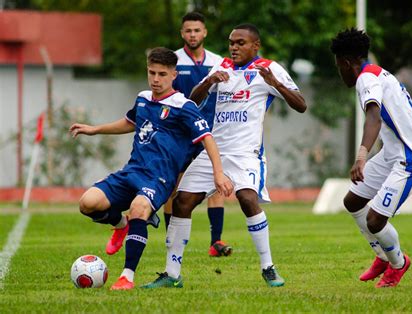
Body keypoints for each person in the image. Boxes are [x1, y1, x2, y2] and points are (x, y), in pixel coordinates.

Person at [141, 23, 306, 289]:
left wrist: (274, 84)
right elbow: (192, 102)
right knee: (182, 201)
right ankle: (172, 275)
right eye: (231, 42)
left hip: (246, 154)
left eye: (241, 43)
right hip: (215, 150)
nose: (234, 47)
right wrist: (208, 82)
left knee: (247, 198)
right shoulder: (223, 67)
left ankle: (268, 267)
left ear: (256, 46)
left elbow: (301, 104)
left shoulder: (269, 68)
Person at [69, 47, 233, 290]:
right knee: (88, 203)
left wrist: (218, 174)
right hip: (132, 171)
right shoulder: (143, 98)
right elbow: (130, 122)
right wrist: (95, 129)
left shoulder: (183, 106)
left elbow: (207, 137)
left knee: (139, 208)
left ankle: (127, 276)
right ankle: (120, 225)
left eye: (162, 74)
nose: (156, 79)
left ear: (174, 75)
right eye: (152, 73)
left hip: (159, 179)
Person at [330, 28, 412, 288]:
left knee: (375, 220)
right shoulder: (376, 73)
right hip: (393, 153)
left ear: (346, 63)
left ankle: (398, 264)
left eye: (338, 66)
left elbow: (374, 117)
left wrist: (361, 156)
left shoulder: (367, 79)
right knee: (353, 201)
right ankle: (383, 255)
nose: (339, 72)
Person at [162, 11, 232, 257]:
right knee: (175, 186)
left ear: (205, 32)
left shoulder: (218, 61)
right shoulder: (173, 61)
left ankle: (216, 242)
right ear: (182, 33)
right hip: (179, 133)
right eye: (188, 30)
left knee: (216, 183)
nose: (193, 34)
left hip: (209, 132)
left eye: (197, 30)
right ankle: (171, 238)